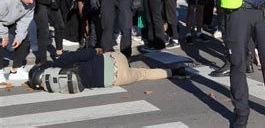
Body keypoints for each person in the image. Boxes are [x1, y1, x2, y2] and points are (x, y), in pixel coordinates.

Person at [28, 47, 189, 92]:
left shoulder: (56, 86)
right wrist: (97, 50)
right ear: (40, 66)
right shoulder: (61, 61)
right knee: (110, 53)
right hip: (114, 60)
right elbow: (87, 53)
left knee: (143, 74)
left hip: (115, 79)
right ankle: (175, 68)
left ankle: (174, 72)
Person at [0, 0, 38, 85]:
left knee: (24, 40)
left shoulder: (31, 2)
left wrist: (19, 37)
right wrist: (4, 35)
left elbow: (25, 20)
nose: (31, 2)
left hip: (9, 19)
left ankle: (15, 70)